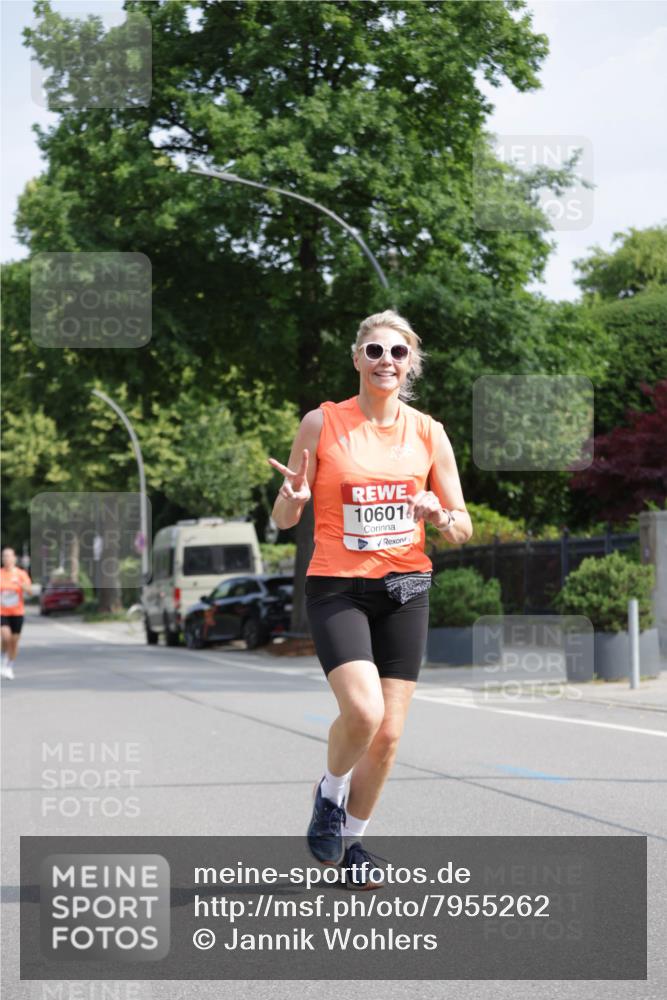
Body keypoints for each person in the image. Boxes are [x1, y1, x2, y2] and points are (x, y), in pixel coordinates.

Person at [268, 309, 473, 890]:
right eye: (376, 351)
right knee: (363, 714)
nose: (387, 362)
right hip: (337, 586)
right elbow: (283, 519)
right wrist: (294, 498)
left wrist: (440, 514)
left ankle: (352, 843)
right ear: (357, 358)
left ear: (411, 365)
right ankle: (329, 793)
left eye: (398, 353)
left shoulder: (429, 432)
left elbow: (463, 527)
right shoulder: (322, 422)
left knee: (388, 735)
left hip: (406, 587)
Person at [1, 546, 33, 680]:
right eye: (4, 556)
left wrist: (21, 584)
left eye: (9, 556)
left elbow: (30, 592)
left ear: (14, 558)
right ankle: (2, 657)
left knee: (14, 642)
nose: (7, 558)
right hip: (2, 612)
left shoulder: (21, 574)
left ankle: (9, 666)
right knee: (6, 637)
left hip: (17, 612)